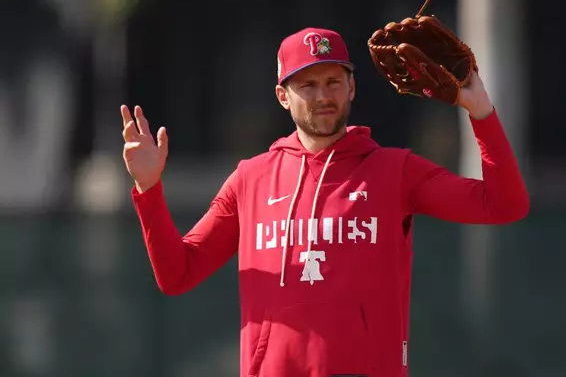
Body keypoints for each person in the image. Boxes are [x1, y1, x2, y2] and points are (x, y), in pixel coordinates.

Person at [120, 27, 529, 377]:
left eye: (334, 81)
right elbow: (177, 275)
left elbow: (504, 205)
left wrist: (482, 113)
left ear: (351, 87)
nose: (323, 96)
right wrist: (149, 188)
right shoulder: (251, 178)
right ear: (283, 96)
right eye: (308, 85)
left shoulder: (394, 170)